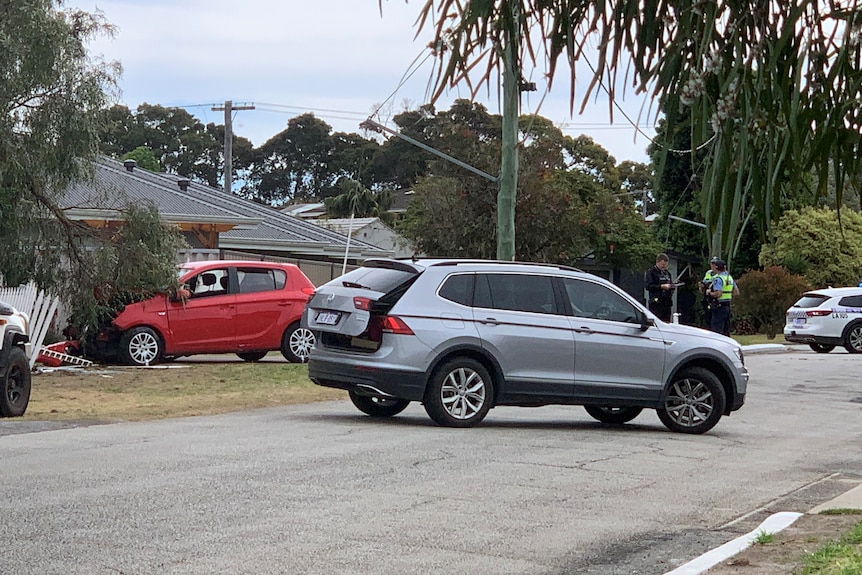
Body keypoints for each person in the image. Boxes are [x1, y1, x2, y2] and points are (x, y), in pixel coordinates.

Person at [707, 259, 740, 336]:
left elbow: (718, 294)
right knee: (726, 330)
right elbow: (736, 292)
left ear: (716, 268)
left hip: (719, 306)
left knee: (717, 331)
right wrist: (728, 295)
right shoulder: (729, 278)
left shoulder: (718, 279)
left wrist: (709, 293)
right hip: (727, 306)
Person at [644, 253, 675, 322]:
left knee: (666, 322)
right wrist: (661, 286)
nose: (664, 267)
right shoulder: (651, 272)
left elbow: (671, 283)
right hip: (656, 302)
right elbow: (648, 286)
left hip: (666, 302)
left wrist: (672, 286)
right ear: (657, 262)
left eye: (665, 265)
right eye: (662, 265)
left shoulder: (667, 273)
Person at [700, 257, 720, 328]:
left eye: (715, 264)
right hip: (707, 298)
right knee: (707, 318)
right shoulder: (708, 273)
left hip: (715, 298)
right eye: (712, 263)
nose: (713, 265)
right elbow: (704, 282)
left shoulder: (719, 275)